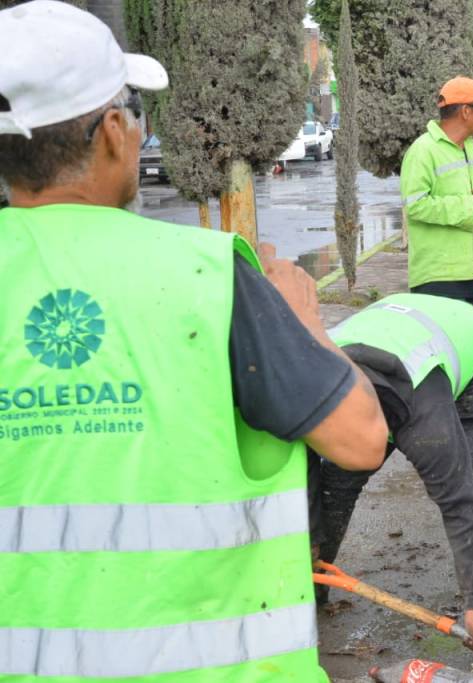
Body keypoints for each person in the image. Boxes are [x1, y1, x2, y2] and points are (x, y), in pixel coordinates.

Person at [0, 2, 388, 680]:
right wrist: (305, 319)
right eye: (134, 110)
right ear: (113, 132)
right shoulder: (208, 275)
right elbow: (360, 438)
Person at [311, 293, 473, 652]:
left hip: (469, 343)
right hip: (389, 331)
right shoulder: (309, 389)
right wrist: (311, 542)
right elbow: (306, 475)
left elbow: (459, 499)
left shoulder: (424, 420)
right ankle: (314, 588)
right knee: (338, 481)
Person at [400, 76, 473, 317]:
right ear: (466, 111)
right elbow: (415, 206)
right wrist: (472, 207)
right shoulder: (423, 151)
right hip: (441, 279)